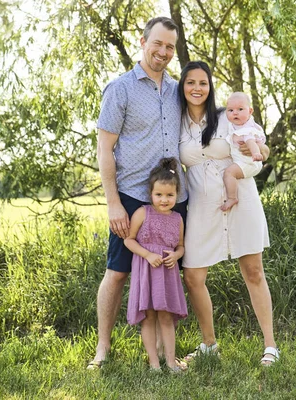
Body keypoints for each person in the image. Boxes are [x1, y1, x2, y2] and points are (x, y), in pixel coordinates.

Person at [89, 16, 188, 370]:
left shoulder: (178, 90)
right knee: (117, 271)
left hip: (172, 196)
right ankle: (103, 347)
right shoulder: (121, 89)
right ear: (143, 41)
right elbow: (104, 150)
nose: (163, 52)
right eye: (158, 44)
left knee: (172, 269)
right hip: (131, 195)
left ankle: (166, 353)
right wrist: (113, 202)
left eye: (170, 47)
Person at [178, 61, 280, 366]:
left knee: (254, 271)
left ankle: (270, 347)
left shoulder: (227, 117)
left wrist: (256, 154)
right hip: (201, 206)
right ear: (182, 87)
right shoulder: (176, 121)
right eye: (190, 83)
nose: (197, 88)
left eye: (203, 83)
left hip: (242, 200)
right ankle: (209, 344)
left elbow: (257, 147)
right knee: (193, 275)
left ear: (210, 88)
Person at [125, 157, 188, 372]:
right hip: (147, 271)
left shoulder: (178, 218)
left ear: (177, 194)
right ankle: (154, 364)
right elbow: (129, 240)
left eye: (169, 195)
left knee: (166, 316)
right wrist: (147, 255)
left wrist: (177, 255)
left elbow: (181, 246)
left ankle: (170, 362)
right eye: (159, 195)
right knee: (149, 317)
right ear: (151, 194)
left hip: (167, 273)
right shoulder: (143, 213)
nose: (164, 200)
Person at [221, 92, 266, 211]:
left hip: (249, 162)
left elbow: (251, 141)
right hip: (245, 161)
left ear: (250, 111)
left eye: (240, 109)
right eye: (230, 110)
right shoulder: (236, 125)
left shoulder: (246, 129)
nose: (235, 113)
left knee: (229, 173)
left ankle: (232, 197)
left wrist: (256, 153)